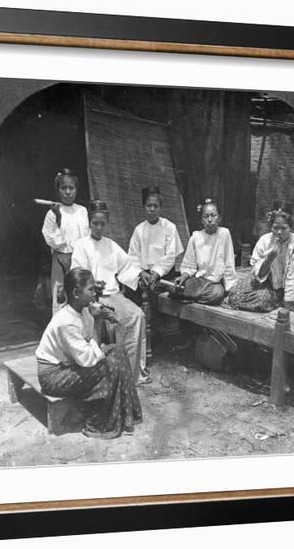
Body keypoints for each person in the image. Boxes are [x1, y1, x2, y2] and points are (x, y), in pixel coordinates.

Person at [35, 268, 142, 439]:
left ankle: (127, 414)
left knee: (118, 352)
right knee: (110, 364)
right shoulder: (66, 322)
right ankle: (99, 423)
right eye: (91, 290)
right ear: (77, 292)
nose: (95, 294)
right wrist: (98, 320)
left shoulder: (83, 311)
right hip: (53, 376)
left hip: (70, 365)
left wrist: (97, 318)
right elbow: (89, 359)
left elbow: (91, 346)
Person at [71, 200, 150, 384]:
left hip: (113, 295)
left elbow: (127, 265)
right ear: (89, 223)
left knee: (136, 315)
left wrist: (140, 273)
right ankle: (106, 373)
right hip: (91, 297)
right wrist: (90, 284)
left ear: (107, 223)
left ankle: (131, 373)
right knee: (100, 318)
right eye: (95, 223)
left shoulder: (111, 245)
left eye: (102, 224)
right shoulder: (81, 245)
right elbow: (77, 274)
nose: (99, 228)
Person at [228, 202, 294, 312]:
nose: (279, 232)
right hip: (262, 281)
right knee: (235, 294)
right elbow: (257, 272)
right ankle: (266, 299)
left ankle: (276, 299)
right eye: (275, 228)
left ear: (291, 227)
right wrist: (268, 260)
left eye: (284, 228)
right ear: (271, 226)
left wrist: (290, 300)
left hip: (283, 287)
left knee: (262, 300)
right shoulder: (265, 240)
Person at [175, 199, 237, 305]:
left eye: (213, 215)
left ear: (219, 218)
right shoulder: (196, 237)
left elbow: (229, 263)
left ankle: (188, 297)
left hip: (215, 283)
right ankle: (188, 295)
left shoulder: (224, 234)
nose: (210, 220)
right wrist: (184, 276)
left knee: (217, 294)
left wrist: (230, 288)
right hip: (199, 281)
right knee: (177, 285)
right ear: (201, 220)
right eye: (206, 216)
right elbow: (189, 265)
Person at [41, 168, 89, 303]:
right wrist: (58, 219)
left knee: (79, 296)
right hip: (60, 261)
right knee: (61, 297)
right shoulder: (53, 213)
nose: (68, 192)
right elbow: (52, 240)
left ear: (76, 189)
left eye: (71, 188)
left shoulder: (82, 211)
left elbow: (86, 237)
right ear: (58, 190)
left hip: (78, 260)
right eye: (63, 188)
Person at [128, 186, 184, 290]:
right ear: (144, 207)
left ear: (160, 208)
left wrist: (156, 273)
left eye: (155, 206)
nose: (152, 209)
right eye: (149, 206)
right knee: (130, 286)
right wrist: (141, 273)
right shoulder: (139, 230)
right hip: (145, 274)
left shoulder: (169, 227)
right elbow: (133, 256)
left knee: (166, 290)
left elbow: (170, 256)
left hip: (164, 273)